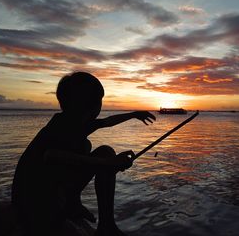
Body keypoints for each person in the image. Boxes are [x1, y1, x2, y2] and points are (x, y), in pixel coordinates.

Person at [11, 72, 156, 236]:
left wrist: (134, 115)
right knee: (104, 154)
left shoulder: (77, 122)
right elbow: (52, 155)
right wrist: (110, 163)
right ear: (88, 103)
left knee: (94, 149)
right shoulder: (62, 125)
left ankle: (73, 204)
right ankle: (104, 225)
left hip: (41, 199)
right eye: (99, 100)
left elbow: (107, 122)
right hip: (34, 206)